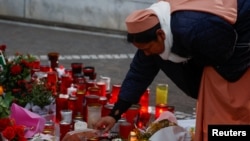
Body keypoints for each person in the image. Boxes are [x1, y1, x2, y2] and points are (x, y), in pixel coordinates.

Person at [64, 0, 250, 140]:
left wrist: (202, 72)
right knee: (213, 118)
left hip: (237, 52)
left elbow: (223, 46)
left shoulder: (193, 29)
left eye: (147, 49)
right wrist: (115, 114)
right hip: (219, 56)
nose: (146, 53)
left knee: (232, 114)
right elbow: (138, 75)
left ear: (161, 35)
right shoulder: (154, 35)